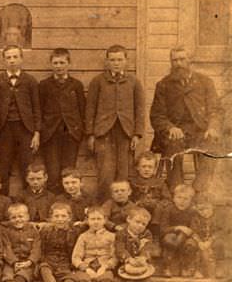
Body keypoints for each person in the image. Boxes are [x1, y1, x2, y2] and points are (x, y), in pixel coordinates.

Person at [150, 46, 222, 193]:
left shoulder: (205, 82)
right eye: (174, 60)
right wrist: (170, 127)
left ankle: (198, 190)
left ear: (190, 61)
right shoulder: (163, 85)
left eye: (182, 59)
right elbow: (157, 115)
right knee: (173, 144)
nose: (178, 64)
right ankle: (177, 191)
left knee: (213, 145)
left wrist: (212, 127)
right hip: (174, 133)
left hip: (199, 131)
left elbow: (215, 109)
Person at [86, 45, 145, 201]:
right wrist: (91, 134)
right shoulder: (98, 81)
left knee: (123, 172)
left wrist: (137, 134)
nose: (116, 63)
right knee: (105, 173)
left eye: (120, 59)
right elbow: (90, 108)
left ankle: (123, 208)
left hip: (125, 132)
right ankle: (105, 207)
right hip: (103, 133)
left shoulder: (133, 82)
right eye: (112, 60)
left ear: (126, 61)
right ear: (107, 62)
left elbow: (139, 109)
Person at [0, 45, 41, 196]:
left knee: (27, 167)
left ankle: (28, 203)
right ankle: (2, 203)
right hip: (4, 130)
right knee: (3, 168)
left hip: (25, 130)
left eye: (15, 57)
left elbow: (37, 108)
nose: (12, 61)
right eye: (8, 58)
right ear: (4, 60)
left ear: (21, 59)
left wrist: (36, 133)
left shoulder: (30, 81)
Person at [38, 48, 86, 192]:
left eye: (62, 62)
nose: (59, 66)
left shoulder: (76, 85)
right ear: (51, 64)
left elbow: (82, 109)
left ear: (69, 64)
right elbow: (39, 109)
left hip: (71, 134)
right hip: (51, 134)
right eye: (55, 63)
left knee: (69, 171)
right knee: (52, 172)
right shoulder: (44, 85)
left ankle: (67, 206)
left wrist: (80, 131)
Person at [71, 207, 121, 282]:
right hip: (87, 265)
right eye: (92, 219)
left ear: (105, 220)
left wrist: (106, 267)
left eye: (99, 219)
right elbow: (76, 256)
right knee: (83, 279)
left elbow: (115, 256)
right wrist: (85, 268)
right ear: (87, 221)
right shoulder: (83, 237)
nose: (96, 222)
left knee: (107, 278)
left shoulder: (112, 236)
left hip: (104, 265)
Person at [38, 202, 85, 282]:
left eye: (63, 216)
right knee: (44, 268)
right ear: (50, 218)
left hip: (65, 263)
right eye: (56, 216)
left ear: (69, 218)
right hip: (49, 260)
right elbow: (42, 249)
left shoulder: (74, 231)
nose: (60, 219)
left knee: (71, 277)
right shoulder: (45, 231)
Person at [1, 203, 41, 282]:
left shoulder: (33, 231)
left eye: (20, 216)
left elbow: (36, 249)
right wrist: (13, 262)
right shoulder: (6, 232)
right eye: (13, 217)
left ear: (27, 217)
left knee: (24, 274)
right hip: (11, 261)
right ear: (9, 219)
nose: (17, 220)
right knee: (7, 273)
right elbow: (6, 248)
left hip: (27, 262)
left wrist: (30, 261)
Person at [115, 206, 155, 282]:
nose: (140, 226)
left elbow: (148, 246)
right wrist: (128, 258)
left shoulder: (147, 234)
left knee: (146, 275)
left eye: (143, 224)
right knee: (127, 276)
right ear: (129, 219)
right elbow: (119, 248)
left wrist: (143, 257)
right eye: (137, 222)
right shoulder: (121, 234)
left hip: (141, 260)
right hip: (126, 261)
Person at [158, 184, 200, 277]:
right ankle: (166, 267)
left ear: (191, 201)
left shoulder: (192, 212)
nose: (182, 201)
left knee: (191, 244)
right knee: (170, 239)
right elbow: (163, 229)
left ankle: (185, 266)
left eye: (186, 199)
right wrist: (178, 228)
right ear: (173, 198)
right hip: (170, 236)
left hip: (186, 237)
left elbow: (193, 229)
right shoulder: (168, 210)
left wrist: (186, 232)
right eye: (179, 197)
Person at [130, 151, 170, 237]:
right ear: (137, 167)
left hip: (155, 210)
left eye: (150, 167)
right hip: (139, 208)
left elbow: (167, 198)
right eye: (143, 166)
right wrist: (137, 203)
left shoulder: (160, 182)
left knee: (161, 209)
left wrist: (158, 203)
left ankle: (155, 232)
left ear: (155, 169)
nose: (147, 169)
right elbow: (129, 197)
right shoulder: (133, 182)